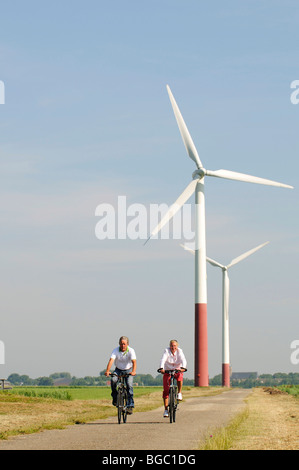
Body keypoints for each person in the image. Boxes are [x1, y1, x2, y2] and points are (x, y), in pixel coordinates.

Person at [105, 336, 137, 414]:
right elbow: (111, 360)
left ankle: (130, 405)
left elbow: (134, 362)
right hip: (118, 370)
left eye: (124, 344)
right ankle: (115, 397)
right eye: (121, 344)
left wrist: (133, 371)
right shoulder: (115, 350)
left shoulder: (131, 351)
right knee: (113, 380)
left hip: (128, 370)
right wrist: (108, 371)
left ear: (127, 344)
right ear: (119, 344)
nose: (123, 346)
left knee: (129, 385)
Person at [159, 339, 187, 418]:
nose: (173, 347)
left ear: (177, 346)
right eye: (171, 345)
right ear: (169, 346)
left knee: (179, 377)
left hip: (177, 369)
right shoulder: (166, 351)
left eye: (174, 346)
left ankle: (179, 392)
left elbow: (183, 360)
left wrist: (183, 368)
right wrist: (161, 368)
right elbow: (163, 359)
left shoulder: (180, 352)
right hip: (168, 370)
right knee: (166, 390)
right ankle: (166, 409)